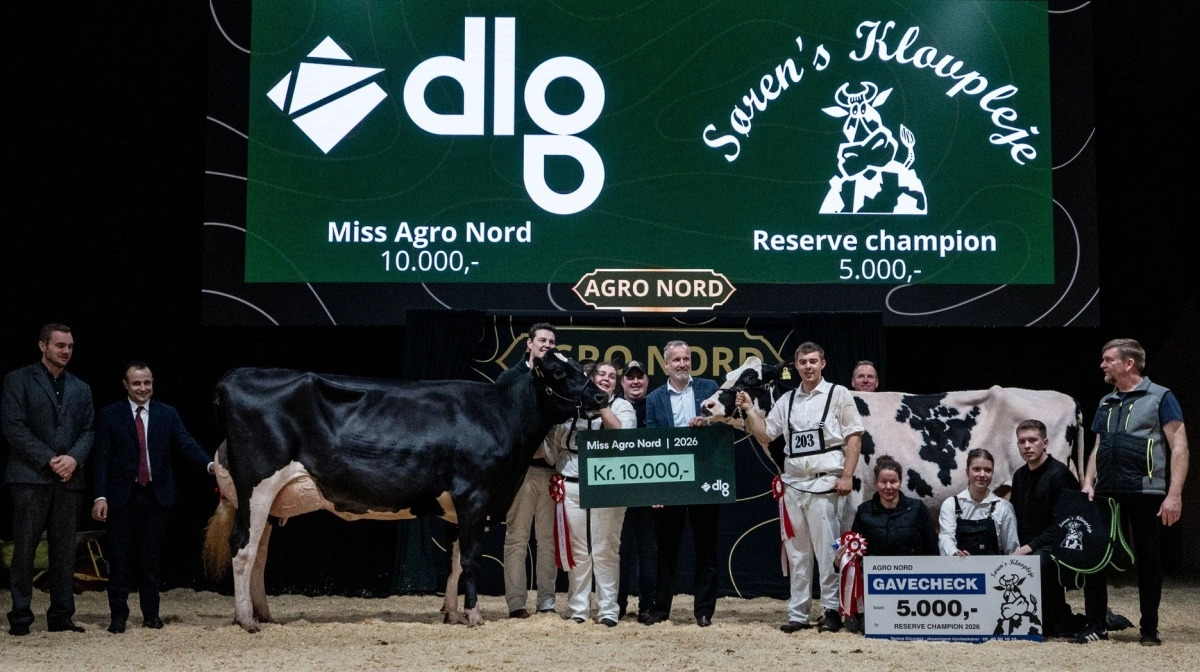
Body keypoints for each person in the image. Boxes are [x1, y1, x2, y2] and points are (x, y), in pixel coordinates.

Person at [738, 341, 864, 633]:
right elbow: (767, 433)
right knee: (797, 554)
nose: (808, 366)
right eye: (802, 362)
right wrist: (749, 409)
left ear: (823, 363)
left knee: (826, 551)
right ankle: (798, 613)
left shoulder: (838, 394)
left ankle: (831, 611)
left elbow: (854, 437)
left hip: (825, 482)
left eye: (812, 361)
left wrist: (847, 475)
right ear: (795, 366)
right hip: (794, 484)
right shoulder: (788, 400)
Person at [1076, 338, 1188, 646]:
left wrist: (1174, 493)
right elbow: (1098, 446)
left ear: (1129, 364)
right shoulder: (1106, 402)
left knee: (1149, 558)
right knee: (1094, 557)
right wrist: (1088, 481)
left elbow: (1179, 446)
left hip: (1145, 489)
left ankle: (1149, 629)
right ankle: (1096, 624)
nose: (1102, 364)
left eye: (1108, 359)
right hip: (1106, 490)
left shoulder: (1160, 397)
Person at [90, 362, 214, 633]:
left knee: (151, 560)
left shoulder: (167, 413)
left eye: (147, 382)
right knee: (120, 560)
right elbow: (100, 459)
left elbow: (186, 444)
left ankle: (151, 615)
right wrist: (100, 497)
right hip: (122, 498)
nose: (143, 388)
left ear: (153, 382)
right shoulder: (110, 414)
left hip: (157, 497)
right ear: (125, 384)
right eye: (136, 383)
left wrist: (211, 466)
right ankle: (118, 617)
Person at [3, 324, 94, 635]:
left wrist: (73, 458)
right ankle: (20, 617)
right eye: (59, 345)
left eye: (69, 346)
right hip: (31, 478)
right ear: (42, 346)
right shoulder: (17, 380)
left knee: (65, 550)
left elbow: (88, 431)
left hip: (70, 479)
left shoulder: (81, 387)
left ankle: (61, 616)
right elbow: (13, 427)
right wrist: (50, 459)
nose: (66, 351)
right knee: (25, 549)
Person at [544, 361, 636, 625]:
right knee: (578, 551)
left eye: (611, 376)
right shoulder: (571, 406)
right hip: (570, 483)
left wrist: (601, 404)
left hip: (608, 486)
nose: (607, 379)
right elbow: (554, 443)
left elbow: (621, 435)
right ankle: (579, 609)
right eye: (601, 375)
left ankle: (608, 610)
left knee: (605, 549)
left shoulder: (621, 406)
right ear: (589, 378)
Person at [643, 341, 720, 627]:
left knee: (706, 548)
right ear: (666, 365)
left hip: (704, 478)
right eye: (676, 360)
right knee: (666, 549)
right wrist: (657, 487)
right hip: (671, 480)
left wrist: (708, 423)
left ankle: (703, 611)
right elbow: (652, 443)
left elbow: (725, 423)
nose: (682, 364)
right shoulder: (654, 398)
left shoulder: (708, 387)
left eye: (686, 358)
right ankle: (662, 608)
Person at [497, 322, 560, 618]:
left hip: (550, 470)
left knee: (548, 541)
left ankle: (547, 603)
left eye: (551, 341)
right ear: (529, 344)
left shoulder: (556, 377)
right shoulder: (510, 378)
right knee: (517, 538)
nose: (547, 345)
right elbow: (500, 424)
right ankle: (516, 604)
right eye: (542, 340)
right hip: (520, 473)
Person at [843, 454, 938, 632]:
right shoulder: (864, 511)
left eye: (893, 482)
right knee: (868, 629)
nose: (888, 487)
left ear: (900, 481)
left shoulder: (918, 508)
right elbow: (853, 556)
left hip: (913, 583)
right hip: (876, 585)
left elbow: (932, 547)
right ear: (875, 483)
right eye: (883, 482)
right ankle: (859, 613)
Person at [1009, 418, 1084, 638]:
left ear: (1045, 443)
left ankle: (1056, 621)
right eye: (1022, 441)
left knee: (1038, 562)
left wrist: (1028, 547)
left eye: (1032, 440)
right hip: (1029, 545)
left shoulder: (1059, 475)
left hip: (1057, 545)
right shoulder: (1019, 476)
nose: (1027, 446)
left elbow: (1063, 525)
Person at [615, 360, 656, 623]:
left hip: (649, 492)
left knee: (648, 551)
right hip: (620, 490)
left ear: (647, 381)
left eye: (640, 377)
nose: (635, 382)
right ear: (622, 383)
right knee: (619, 551)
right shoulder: (614, 408)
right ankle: (616, 605)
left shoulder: (655, 405)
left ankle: (647, 606)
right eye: (630, 378)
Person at [938, 448, 1019, 557]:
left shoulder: (1004, 507)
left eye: (987, 470)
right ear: (967, 472)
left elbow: (1012, 549)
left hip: (994, 571)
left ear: (992, 473)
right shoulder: (950, 504)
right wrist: (954, 553)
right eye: (976, 469)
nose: (982, 474)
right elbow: (946, 538)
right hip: (961, 570)